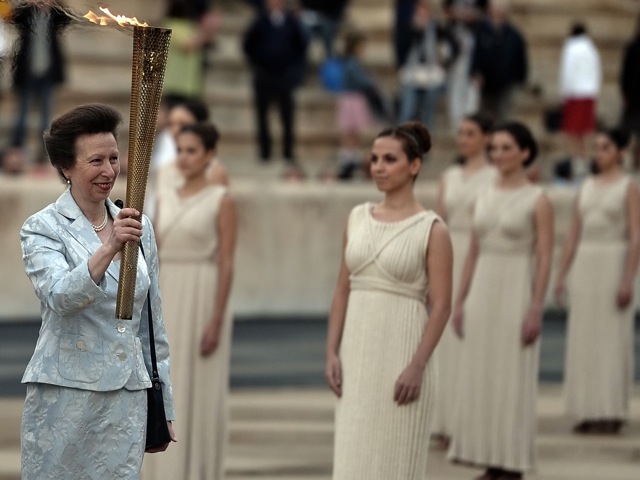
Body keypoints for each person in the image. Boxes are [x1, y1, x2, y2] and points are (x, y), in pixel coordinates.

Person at [19, 104, 176, 478]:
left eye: (113, 158)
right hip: (65, 397)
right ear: (66, 167)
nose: (108, 171)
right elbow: (59, 297)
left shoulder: (139, 226)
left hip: (127, 398)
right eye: (95, 161)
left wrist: (164, 405)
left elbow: (151, 324)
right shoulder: (42, 228)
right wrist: (108, 249)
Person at [326, 121, 453, 479]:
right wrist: (331, 352)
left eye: (390, 159)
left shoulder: (433, 229)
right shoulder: (356, 217)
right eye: (374, 158)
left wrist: (418, 365)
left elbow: (442, 305)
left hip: (402, 353)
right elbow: (342, 289)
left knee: (396, 462)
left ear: (415, 165)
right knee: (353, 461)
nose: (378, 167)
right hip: (356, 356)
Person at [448, 121, 553, 480]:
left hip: (516, 286)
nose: (498, 154)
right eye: (494, 147)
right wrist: (459, 301)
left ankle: (511, 461)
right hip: (483, 287)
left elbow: (544, 257)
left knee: (511, 376)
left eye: (507, 148)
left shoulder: (538, 200)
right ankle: (490, 457)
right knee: (482, 373)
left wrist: (536, 307)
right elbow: (473, 252)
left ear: (525, 153)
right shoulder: (484, 195)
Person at [142, 122, 237, 480]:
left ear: (210, 155)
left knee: (198, 387)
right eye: (179, 150)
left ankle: (197, 470)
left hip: (203, 292)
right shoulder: (164, 198)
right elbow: (155, 255)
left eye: (192, 150)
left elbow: (227, 261)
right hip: (167, 291)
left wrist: (216, 319)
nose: (183, 158)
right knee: (165, 379)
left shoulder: (222, 200)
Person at [554, 127, 640, 435]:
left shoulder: (629, 187)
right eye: (596, 147)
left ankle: (610, 409)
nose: (598, 152)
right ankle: (586, 407)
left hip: (613, 260)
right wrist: (562, 274)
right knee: (584, 336)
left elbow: (635, 235)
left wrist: (628, 278)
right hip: (586, 263)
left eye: (605, 147)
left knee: (611, 338)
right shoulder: (586, 186)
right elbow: (573, 234)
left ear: (620, 152)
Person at [431, 112, 496, 447]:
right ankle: (443, 420)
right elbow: (438, 218)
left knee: (470, 336)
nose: (463, 139)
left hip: (480, 254)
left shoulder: (495, 176)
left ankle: (468, 420)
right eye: (460, 133)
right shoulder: (449, 175)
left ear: (486, 137)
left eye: (470, 133)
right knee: (443, 340)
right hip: (449, 250)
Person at [242, 0, 308, 163]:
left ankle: (288, 151)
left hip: (284, 75)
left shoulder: (291, 22)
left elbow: (301, 45)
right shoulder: (260, 21)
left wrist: (292, 65)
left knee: (287, 115)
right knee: (262, 115)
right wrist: (257, 62)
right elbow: (247, 44)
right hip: (263, 74)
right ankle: (265, 151)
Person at [10, 0, 69, 164]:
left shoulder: (56, 13)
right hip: (27, 71)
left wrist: (53, 6)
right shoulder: (27, 12)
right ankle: (16, 151)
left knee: (46, 115)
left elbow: (67, 19)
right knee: (22, 114)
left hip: (48, 71)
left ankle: (44, 153)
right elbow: (13, 17)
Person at [334, 30, 390, 180]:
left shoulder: (355, 63)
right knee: (349, 131)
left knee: (356, 131)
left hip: (357, 99)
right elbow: (361, 80)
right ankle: (347, 158)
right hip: (351, 99)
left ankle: (353, 157)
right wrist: (372, 82)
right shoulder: (351, 63)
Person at [398, 0, 458, 131]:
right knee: (407, 111)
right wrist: (416, 31)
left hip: (432, 75)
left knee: (428, 113)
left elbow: (452, 47)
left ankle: (425, 143)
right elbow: (402, 49)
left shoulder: (438, 28)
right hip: (412, 73)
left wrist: (444, 63)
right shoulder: (408, 28)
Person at [470, 0, 527, 123]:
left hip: (505, 83)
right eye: (496, 7)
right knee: (484, 118)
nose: (498, 11)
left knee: (503, 116)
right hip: (485, 83)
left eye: (502, 8)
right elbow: (475, 54)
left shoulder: (514, 35)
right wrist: (475, 72)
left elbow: (520, 57)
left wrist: (520, 78)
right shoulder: (481, 31)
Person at [559, 22, 601, 180]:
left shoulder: (571, 47)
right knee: (585, 130)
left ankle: (577, 163)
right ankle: (585, 161)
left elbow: (567, 72)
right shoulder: (592, 49)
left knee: (572, 131)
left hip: (574, 93)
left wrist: (564, 93)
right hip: (589, 94)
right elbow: (598, 73)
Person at [162, 0, 220, 98]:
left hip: (192, 82)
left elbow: (207, 43)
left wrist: (210, 27)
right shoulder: (170, 25)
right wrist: (207, 28)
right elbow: (188, 46)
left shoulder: (191, 26)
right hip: (176, 82)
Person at [620, 13, 640, 169]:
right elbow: (625, 74)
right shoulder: (632, 47)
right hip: (634, 100)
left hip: (632, 99)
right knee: (630, 136)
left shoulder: (632, 47)